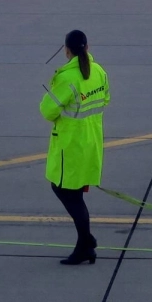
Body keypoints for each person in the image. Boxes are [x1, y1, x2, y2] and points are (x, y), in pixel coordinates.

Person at [39, 30, 110, 265]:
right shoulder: (98, 71)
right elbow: (106, 99)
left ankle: (85, 243)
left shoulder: (67, 78)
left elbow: (48, 111)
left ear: (66, 50)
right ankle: (85, 243)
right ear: (87, 47)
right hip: (91, 140)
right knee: (75, 192)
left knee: (63, 190)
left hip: (70, 145)